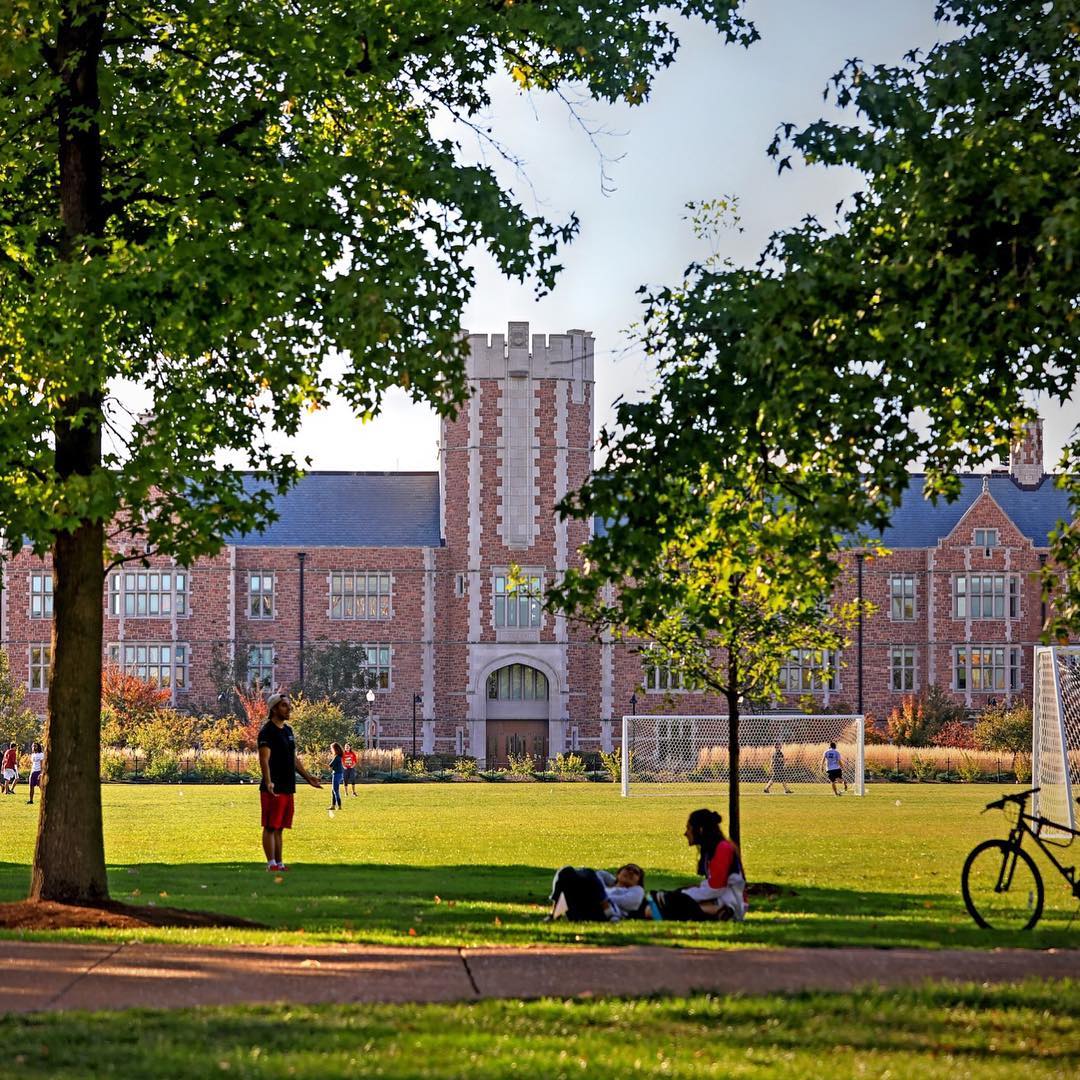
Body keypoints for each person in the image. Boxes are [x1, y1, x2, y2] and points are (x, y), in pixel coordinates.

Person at [258, 693, 322, 871]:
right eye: (285, 705)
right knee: (270, 826)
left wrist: (308, 777)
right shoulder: (267, 732)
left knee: (280, 828)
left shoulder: (288, 731)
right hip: (273, 787)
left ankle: (279, 863)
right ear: (275, 709)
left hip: (288, 786)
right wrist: (269, 781)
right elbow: (264, 759)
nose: (289, 708)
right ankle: (271, 864)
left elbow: (292, 758)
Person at [649, 809, 747, 922]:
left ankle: (720, 912)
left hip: (731, 902)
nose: (685, 833)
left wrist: (684, 894)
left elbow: (716, 888)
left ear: (700, 830)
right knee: (669, 901)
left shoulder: (722, 848)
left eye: (688, 828)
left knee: (672, 903)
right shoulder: (712, 850)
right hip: (723, 898)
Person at [547, 863, 646, 922]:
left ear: (638, 881)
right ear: (618, 873)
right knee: (566, 871)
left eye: (635, 872)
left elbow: (628, 902)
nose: (631, 872)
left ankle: (609, 912)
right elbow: (599, 876)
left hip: (602, 915)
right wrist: (599, 892)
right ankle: (554, 913)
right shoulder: (604, 884)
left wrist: (600, 895)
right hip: (580, 911)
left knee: (589, 873)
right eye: (628, 869)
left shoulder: (637, 890)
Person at [328, 742, 344, 811]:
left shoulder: (337, 757)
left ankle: (339, 806)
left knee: (335, 790)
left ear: (335, 749)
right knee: (333, 790)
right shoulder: (339, 756)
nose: (331, 750)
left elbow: (330, 765)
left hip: (336, 774)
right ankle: (333, 806)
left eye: (332, 748)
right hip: (339, 774)